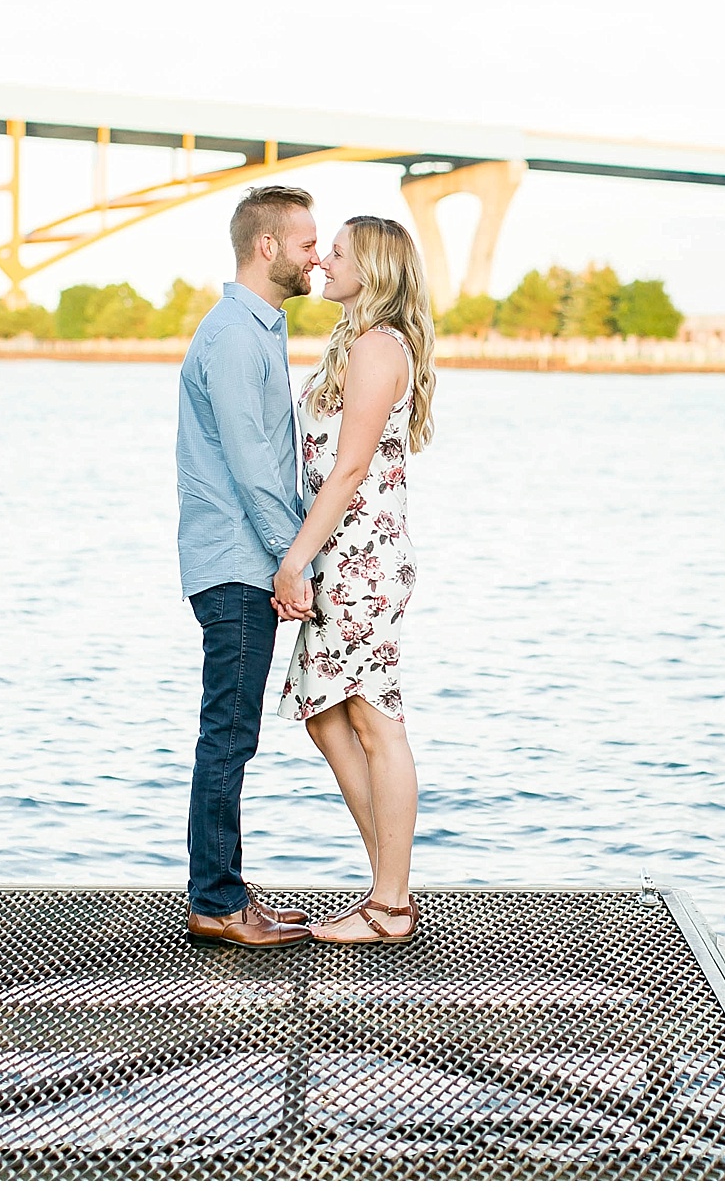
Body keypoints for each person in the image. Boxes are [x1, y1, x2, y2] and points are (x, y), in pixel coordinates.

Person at [275, 216, 437, 945]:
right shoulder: (358, 343)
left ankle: (391, 906)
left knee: (374, 717)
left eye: (337, 252)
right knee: (326, 714)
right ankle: (387, 886)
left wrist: (293, 560)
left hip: (358, 559)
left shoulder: (376, 348)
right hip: (346, 555)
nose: (323, 261)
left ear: (371, 269)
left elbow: (347, 470)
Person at [174, 184, 321, 948]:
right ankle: (216, 904)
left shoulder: (256, 327)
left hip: (241, 560)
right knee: (227, 734)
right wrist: (293, 559)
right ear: (267, 247)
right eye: (305, 243)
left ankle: (225, 889)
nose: (316, 255)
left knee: (231, 733)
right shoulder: (235, 335)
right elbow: (253, 465)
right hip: (237, 565)